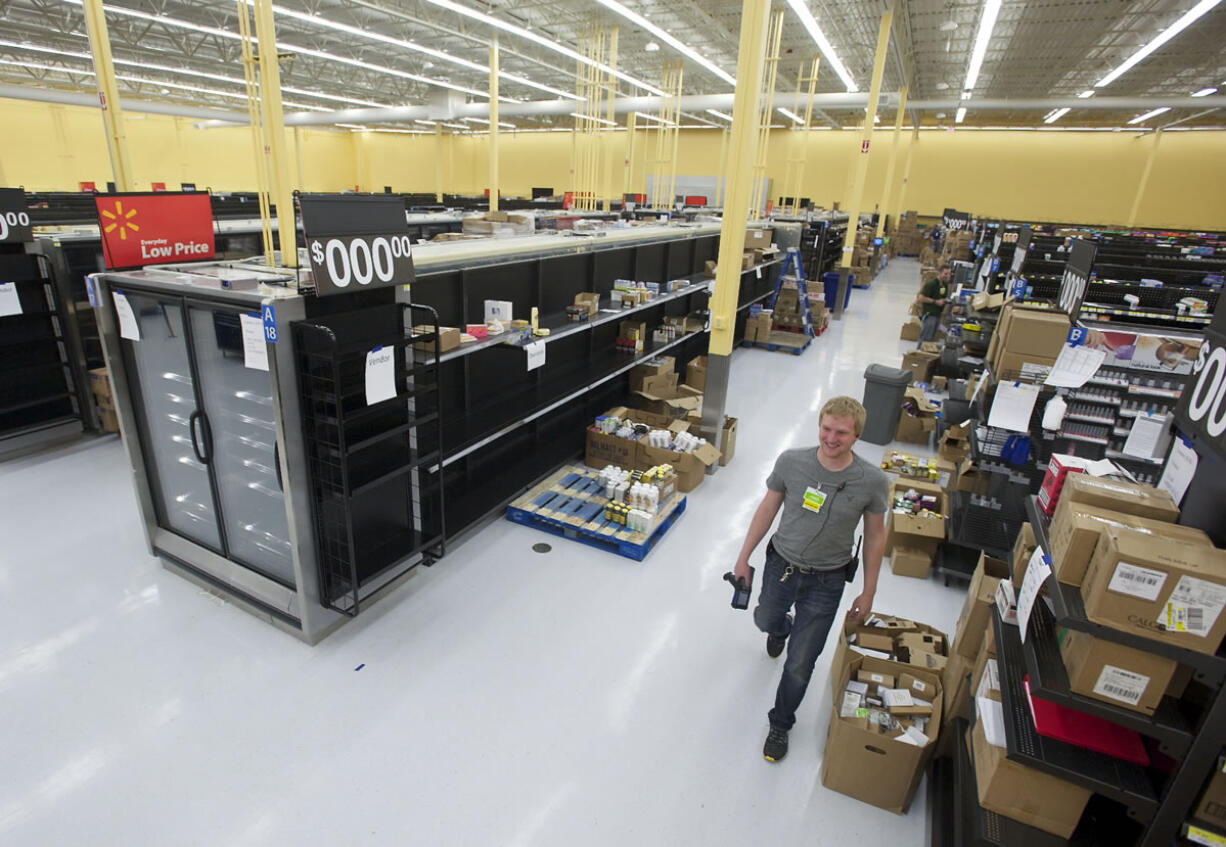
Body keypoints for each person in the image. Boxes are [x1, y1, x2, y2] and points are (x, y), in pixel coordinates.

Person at [732, 396, 889, 763]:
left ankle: (781, 723)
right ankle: (780, 628)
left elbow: (877, 535)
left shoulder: (872, 481)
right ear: (819, 425)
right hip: (781, 566)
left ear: (857, 435)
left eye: (842, 432)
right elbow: (768, 508)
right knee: (763, 619)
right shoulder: (792, 461)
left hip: (828, 581)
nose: (831, 438)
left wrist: (869, 591)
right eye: (826, 429)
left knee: (801, 662)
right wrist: (743, 557)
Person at [916, 264, 952, 344]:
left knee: (931, 338)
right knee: (926, 338)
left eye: (949, 274)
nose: (948, 276)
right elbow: (921, 297)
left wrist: (945, 300)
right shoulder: (932, 284)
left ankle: (925, 353)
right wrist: (935, 301)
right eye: (945, 274)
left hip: (937, 315)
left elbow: (941, 296)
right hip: (930, 314)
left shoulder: (944, 285)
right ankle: (919, 353)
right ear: (939, 273)